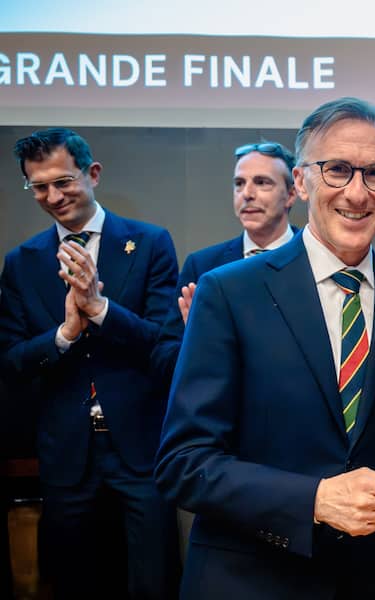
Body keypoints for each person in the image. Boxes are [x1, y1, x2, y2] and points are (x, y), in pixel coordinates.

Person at [154, 97, 375, 599]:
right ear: (302, 182)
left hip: (371, 581)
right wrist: (313, 499)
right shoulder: (228, 292)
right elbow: (183, 463)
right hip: (250, 580)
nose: (357, 193)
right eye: (337, 170)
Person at [0, 128, 180, 598]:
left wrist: (100, 310)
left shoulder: (149, 243)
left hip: (140, 449)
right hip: (66, 455)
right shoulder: (22, 263)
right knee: (75, 583)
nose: (53, 196)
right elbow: (12, 362)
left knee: (152, 581)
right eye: (39, 187)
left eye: (63, 182)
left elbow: (166, 343)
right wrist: (64, 335)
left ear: (92, 174)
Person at [150, 140, 299, 383]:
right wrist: (197, 341)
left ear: (291, 194)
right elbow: (162, 361)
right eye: (239, 184)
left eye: (262, 183)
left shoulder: (314, 258)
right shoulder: (204, 266)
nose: (247, 194)